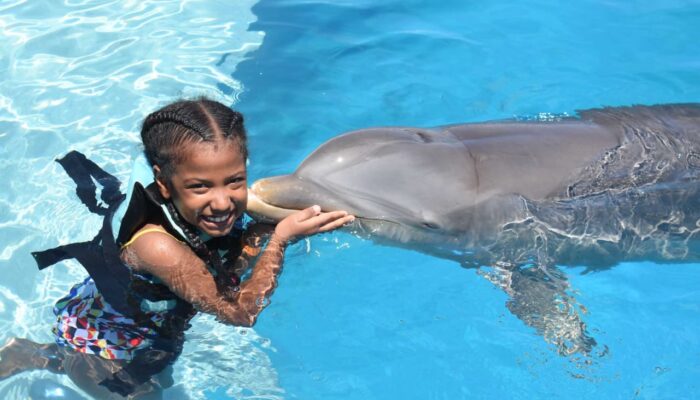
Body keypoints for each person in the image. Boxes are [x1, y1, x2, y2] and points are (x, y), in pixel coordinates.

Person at [0, 98, 354, 399]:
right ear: (164, 184)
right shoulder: (156, 245)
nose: (222, 202)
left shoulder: (205, 208)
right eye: (200, 186)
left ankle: (39, 355)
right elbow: (239, 315)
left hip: (150, 319)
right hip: (105, 344)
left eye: (234, 181)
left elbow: (229, 247)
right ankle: (43, 356)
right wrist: (280, 240)